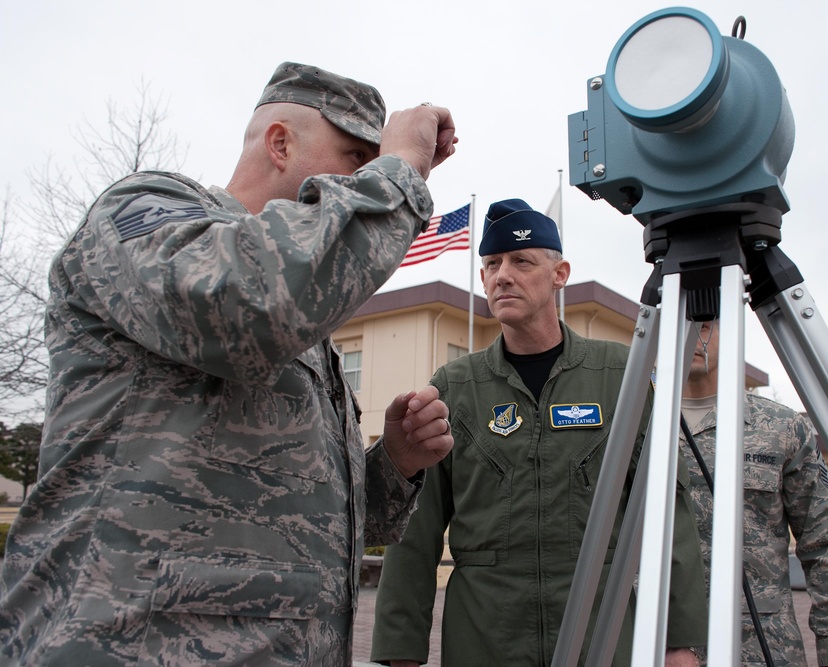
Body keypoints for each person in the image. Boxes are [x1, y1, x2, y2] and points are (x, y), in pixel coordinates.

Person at [0, 62, 459, 666]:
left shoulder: (308, 319)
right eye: (356, 158)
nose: (366, 178)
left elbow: (287, 519)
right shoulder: (146, 212)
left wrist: (393, 465)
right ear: (280, 143)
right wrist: (399, 173)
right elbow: (252, 301)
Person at [370, 199, 708, 667]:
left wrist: (680, 642)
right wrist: (398, 652)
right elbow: (416, 530)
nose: (502, 275)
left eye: (521, 261)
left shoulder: (619, 375)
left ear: (560, 273)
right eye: (491, 264)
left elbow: (668, 510)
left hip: (602, 633)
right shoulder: (454, 387)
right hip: (485, 637)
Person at [680, 319, 828, 666]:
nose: (693, 336)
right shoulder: (634, 425)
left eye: (704, 325)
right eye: (680, 325)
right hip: (656, 643)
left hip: (760, 645)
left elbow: (827, 544)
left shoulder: (781, 427)